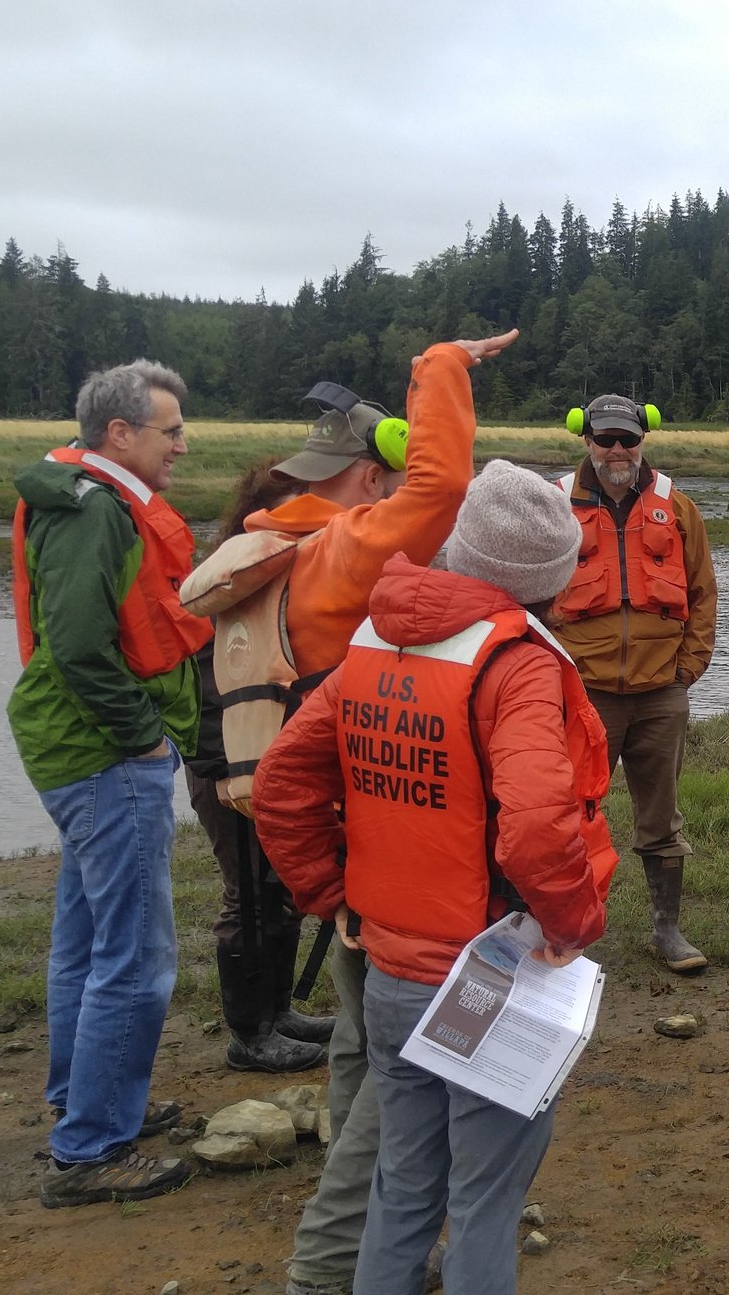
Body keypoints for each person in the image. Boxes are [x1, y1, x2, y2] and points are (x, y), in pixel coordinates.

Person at [255, 459, 615, 1295]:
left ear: (460, 545)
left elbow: (280, 783)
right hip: (487, 973)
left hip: (391, 971)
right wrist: (570, 925)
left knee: (403, 1185)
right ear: (549, 581)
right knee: (486, 1200)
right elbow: (533, 824)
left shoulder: (376, 641)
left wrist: (332, 892)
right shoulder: (517, 663)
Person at [252, 332, 512, 1295]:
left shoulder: (275, 534)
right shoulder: (342, 553)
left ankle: (360, 1254)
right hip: (386, 867)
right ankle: (330, 1272)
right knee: (398, 1096)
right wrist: (443, 364)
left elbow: (282, 784)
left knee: (367, 1057)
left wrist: (326, 890)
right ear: (370, 478)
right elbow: (443, 486)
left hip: (350, 850)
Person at [7, 359, 211, 1208]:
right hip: (104, 758)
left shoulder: (75, 497)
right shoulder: (95, 514)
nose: (181, 446)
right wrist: (144, 741)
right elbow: (87, 646)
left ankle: (84, 1101)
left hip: (69, 748)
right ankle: (91, 1148)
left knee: (86, 941)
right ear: (120, 434)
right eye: (169, 432)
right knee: (136, 959)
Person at [549, 393, 717, 975]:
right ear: (585, 439)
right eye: (605, 439)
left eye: (628, 439)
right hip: (583, 694)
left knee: (661, 817)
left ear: (644, 439)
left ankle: (667, 931)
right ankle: (564, 932)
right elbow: (530, 601)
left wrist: (688, 670)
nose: (617, 450)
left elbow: (703, 596)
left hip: (661, 692)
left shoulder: (681, 510)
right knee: (565, 813)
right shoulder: (553, 509)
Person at [182, 460, 327, 1075]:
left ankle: (278, 1012)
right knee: (247, 894)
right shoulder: (226, 590)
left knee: (284, 889)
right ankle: (249, 1032)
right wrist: (219, 770)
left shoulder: (279, 585)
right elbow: (206, 695)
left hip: (271, 763)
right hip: (226, 767)